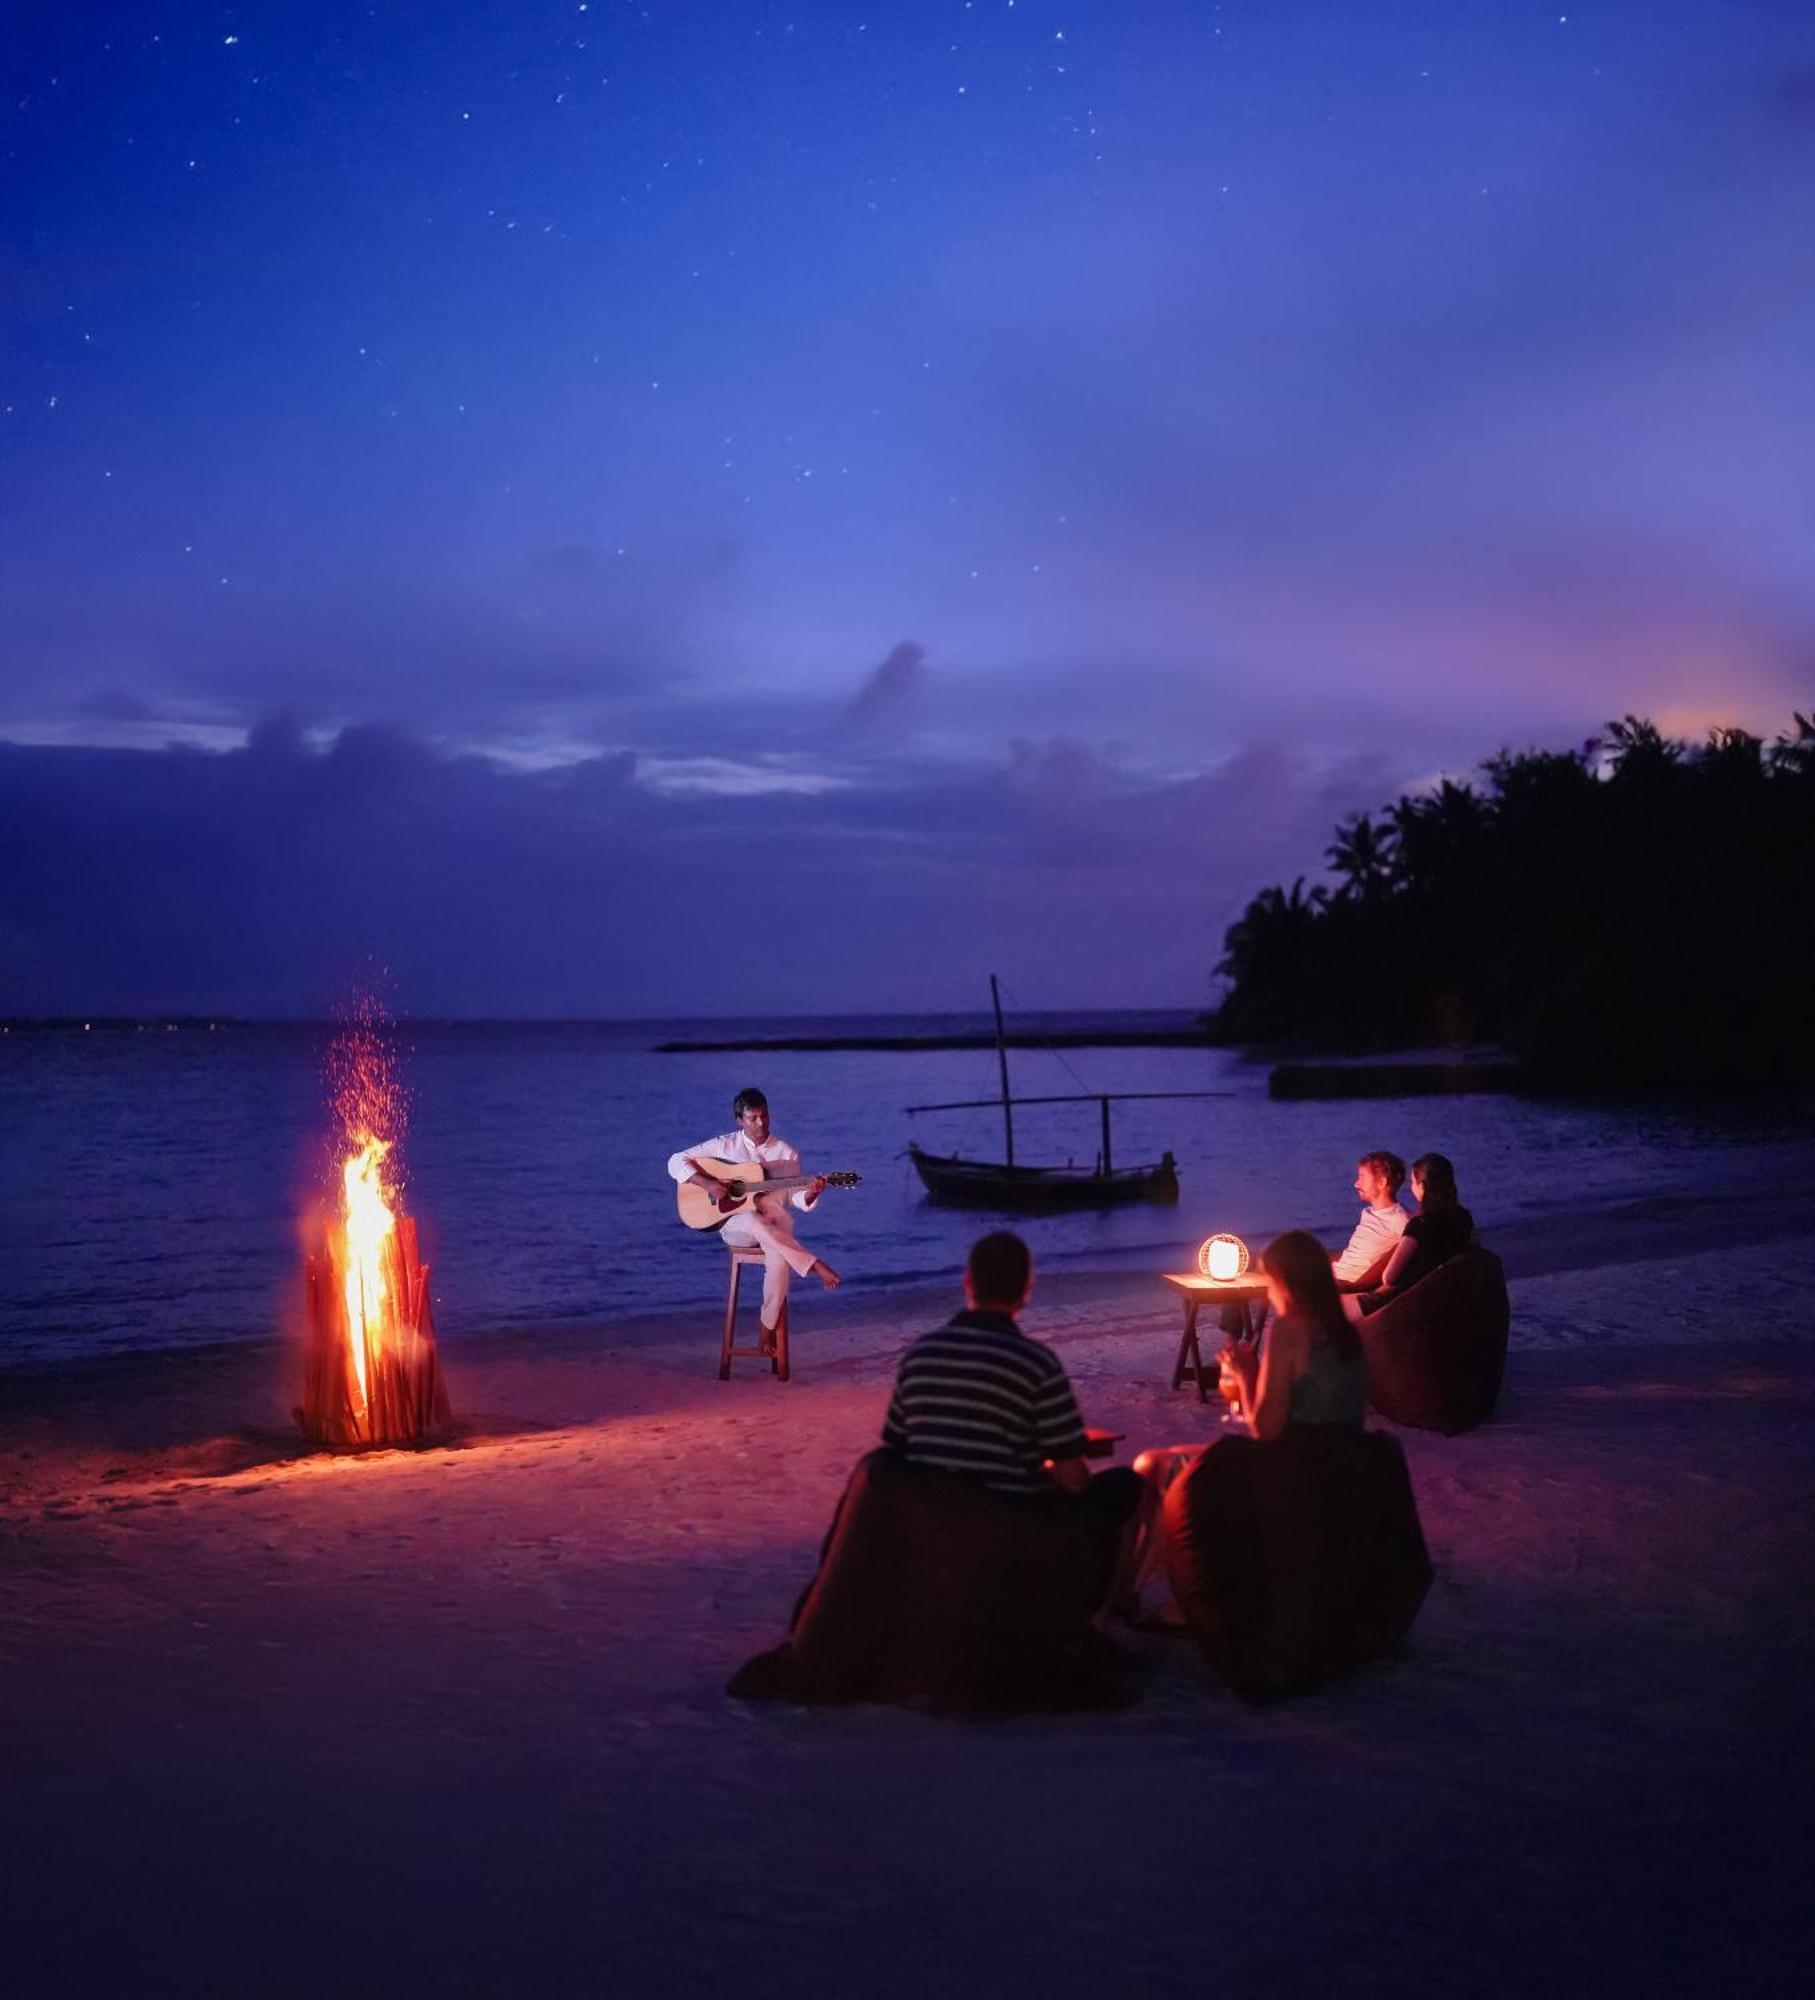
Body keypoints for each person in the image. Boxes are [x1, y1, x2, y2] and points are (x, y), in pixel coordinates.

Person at [882, 1231, 1148, 1604]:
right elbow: (1073, 1476)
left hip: (934, 1518)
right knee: (1128, 1487)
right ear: (1027, 1289)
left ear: (968, 1282)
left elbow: (894, 1448)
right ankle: (1105, 1611)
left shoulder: (921, 1356)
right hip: (1011, 1523)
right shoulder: (1035, 1363)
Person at [667, 1087, 840, 1343]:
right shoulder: (723, 1145)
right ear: (740, 1120)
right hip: (735, 1226)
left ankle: (765, 1328)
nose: (761, 1123)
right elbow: (675, 1161)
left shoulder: (786, 1152)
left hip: (774, 1225)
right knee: (751, 1218)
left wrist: (812, 1193)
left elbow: (795, 1197)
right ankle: (812, 1264)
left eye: (765, 1116)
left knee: (780, 1255)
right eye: (753, 1119)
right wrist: (707, 1183)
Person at [1343, 1151, 1475, 1321]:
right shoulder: (1463, 1217)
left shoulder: (1419, 1225)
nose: (1411, 1187)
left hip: (1393, 1298)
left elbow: (1389, 1278)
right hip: (1437, 1292)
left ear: (1423, 1186)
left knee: (1324, 1317)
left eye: (1413, 1182)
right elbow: (1472, 1252)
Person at [1332, 1150, 1409, 1290]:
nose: (1356, 1184)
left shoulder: (1399, 1220)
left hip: (1347, 1285)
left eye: (1362, 1177)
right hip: (1336, 1276)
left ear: (1381, 1182)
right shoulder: (1369, 1212)